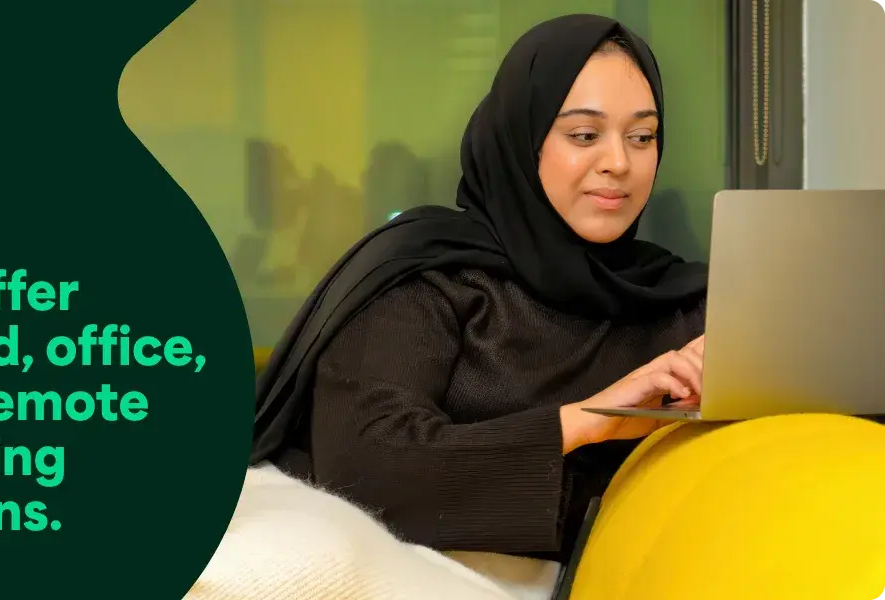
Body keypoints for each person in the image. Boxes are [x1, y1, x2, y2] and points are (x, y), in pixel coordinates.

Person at [251, 14, 710, 565]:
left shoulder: (680, 303)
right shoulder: (426, 278)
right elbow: (366, 468)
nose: (618, 163)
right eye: (584, 135)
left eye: (642, 137)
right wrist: (588, 420)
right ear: (520, 139)